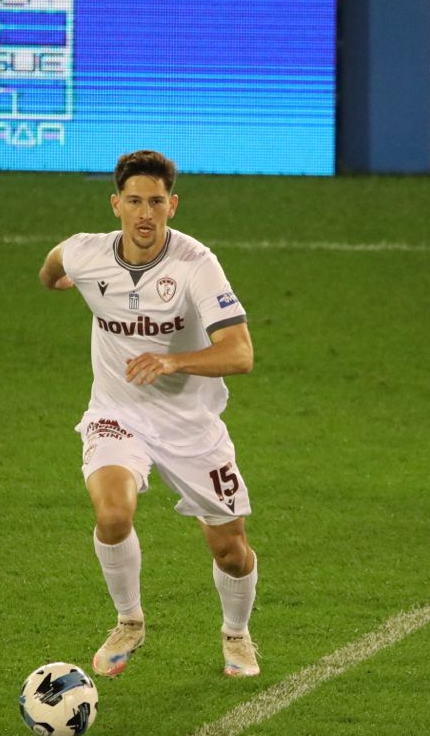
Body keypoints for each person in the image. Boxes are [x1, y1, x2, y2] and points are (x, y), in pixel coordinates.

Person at [38, 149, 262, 677]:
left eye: (156, 202)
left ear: (172, 205)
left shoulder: (195, 264)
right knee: (112, 515)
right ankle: (129, 621)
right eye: (135, 201)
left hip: (190, 425)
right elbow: (51, 267)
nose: (145, 214)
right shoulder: (86, 253)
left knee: (231, 551)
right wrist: (59, 283)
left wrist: (173, 361)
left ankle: (236, 634)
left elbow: (240, 354)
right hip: (117, 413)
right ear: (115, 204)